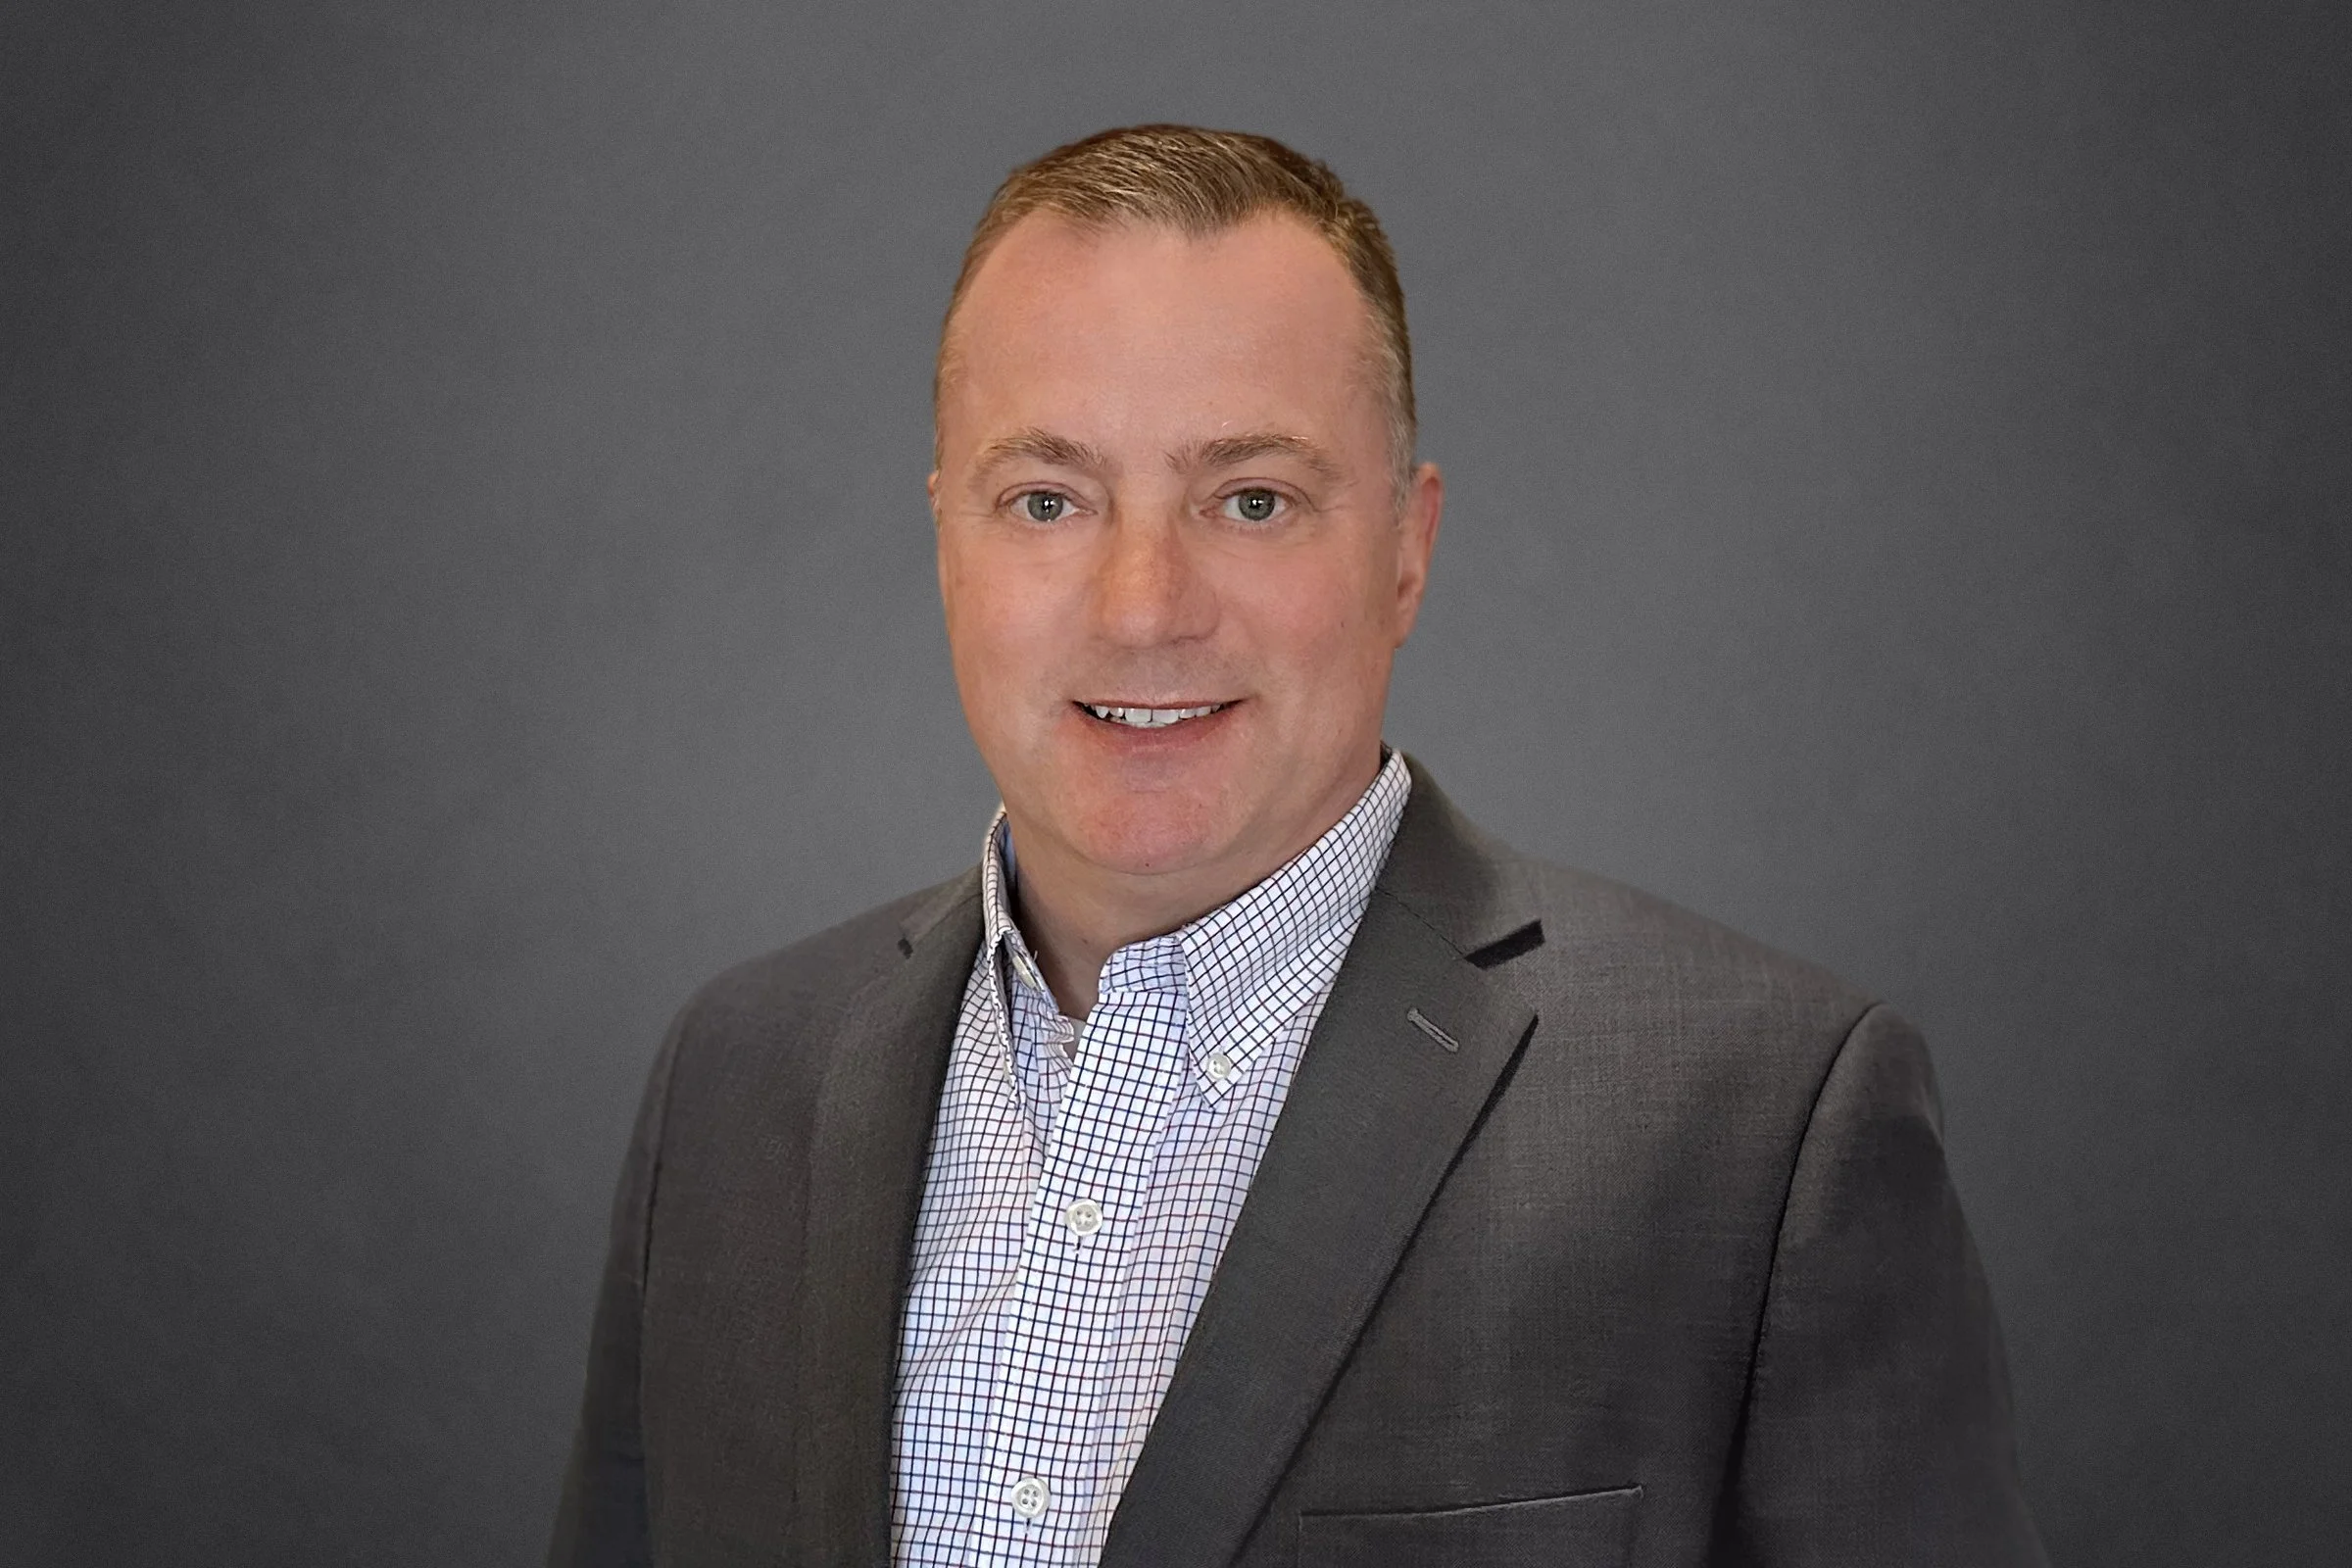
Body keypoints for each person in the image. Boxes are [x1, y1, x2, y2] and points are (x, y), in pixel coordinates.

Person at [548, 124, 2045, 1567]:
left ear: (1407, 544)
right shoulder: (737, 1078)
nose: (1143, 606)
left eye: (1251, 499)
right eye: (1047, 499)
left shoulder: (1766, 1131)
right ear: (947, 537)